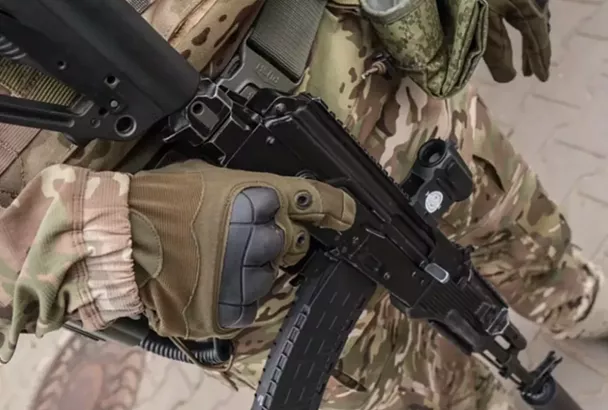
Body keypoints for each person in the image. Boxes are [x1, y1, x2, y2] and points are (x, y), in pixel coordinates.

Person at [0, 0, 605, 409]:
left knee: (522, 237)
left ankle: (579, 305)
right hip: (216, 255)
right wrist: (103, 235)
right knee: (416, 394)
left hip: (380, 68)